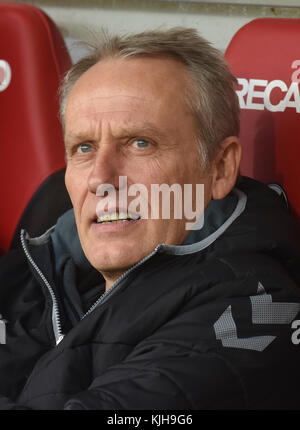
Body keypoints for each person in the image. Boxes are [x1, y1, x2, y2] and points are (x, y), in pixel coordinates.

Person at [1, 27, 300, 410]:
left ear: (220, 168)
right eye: (84, 148)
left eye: (140, 143)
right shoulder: (40, 261)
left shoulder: (258, 313)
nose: (100, 177)